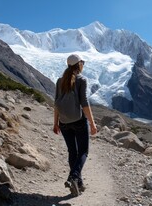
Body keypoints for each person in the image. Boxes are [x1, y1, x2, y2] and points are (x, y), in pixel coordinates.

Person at [53, 54, 97, 197]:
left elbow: (56, 103)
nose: (83, 64)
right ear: (79, 65)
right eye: (82, 62)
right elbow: (84, 103)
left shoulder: (60, 81)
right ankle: (73, 177)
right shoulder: (81, 80)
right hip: (78, 121)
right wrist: (92, 123)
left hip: (64, 122)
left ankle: (78, 183)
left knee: (72, 152)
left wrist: (55, 123)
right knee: (83, 151)